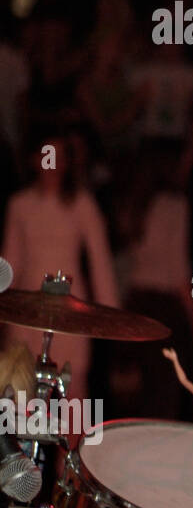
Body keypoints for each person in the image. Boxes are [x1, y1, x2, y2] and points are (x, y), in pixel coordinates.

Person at [1, 134, 119, 401]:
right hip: (28, 310)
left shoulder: (82, 204)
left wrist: (109, 317)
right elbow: (11, 260)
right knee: (20, 393)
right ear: (34, 160)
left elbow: (100, 262)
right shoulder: (20, 205)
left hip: (69, 309)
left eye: (58, 157)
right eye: (45, 155)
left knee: (73, 394)